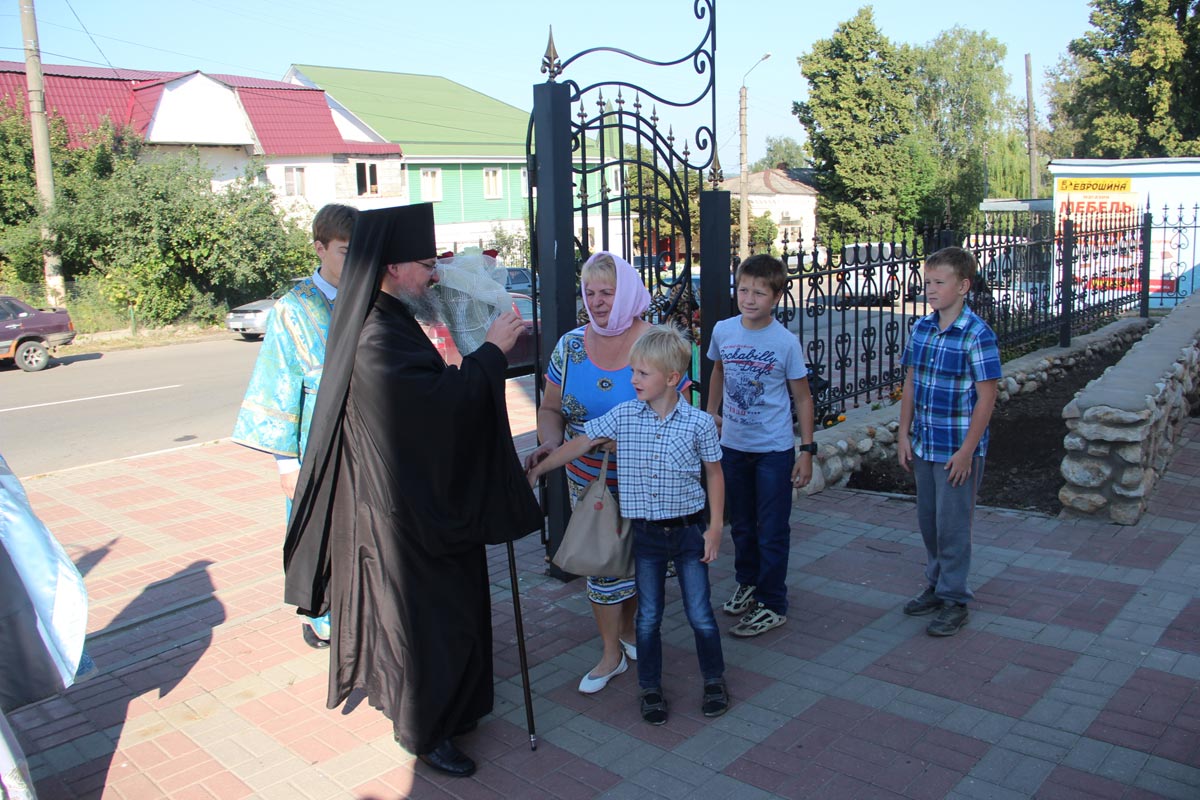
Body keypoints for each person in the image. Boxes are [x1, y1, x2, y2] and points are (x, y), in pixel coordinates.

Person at [282, 203, 542, 778]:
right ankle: (428, 729)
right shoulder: (374, 334)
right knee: (431, 624)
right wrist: (492, 353)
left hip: (421, 499)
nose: (432, 275)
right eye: (426, 265)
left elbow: (430, 394)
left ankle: (459, 709)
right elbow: (433, 408)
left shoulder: (388, 315)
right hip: (404, 517)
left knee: (455, 612)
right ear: (394, 266)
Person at [528, 325, 728, 725]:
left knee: (700, 613)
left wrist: (715, 528)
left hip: (689, 532)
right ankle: (649, 688)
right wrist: (539, 470)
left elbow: (715, 473)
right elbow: (581, 442)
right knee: (649, 616)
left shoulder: (699, 424)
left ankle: (714, 680)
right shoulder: (623, 416)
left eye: (641, 373)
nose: (632, 379)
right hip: (647, 535)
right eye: (632, 371)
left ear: (671, 378)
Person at [524, 251, 657, 695]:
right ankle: (610, 652)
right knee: (603, 564)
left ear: (628, 294)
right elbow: (550, 408)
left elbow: (678, 411)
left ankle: (630, 629)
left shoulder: (656, 343)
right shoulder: (570, 346)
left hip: (646, 478)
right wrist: (550, 442)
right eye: (590, 292)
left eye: (608, 292)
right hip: (588, 478)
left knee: (638, 563)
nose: (597, 302)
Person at [232, 203, 358, 649]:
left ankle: (357, 611)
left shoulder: (366, 296)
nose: (353, 261)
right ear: (320, 248)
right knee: (318, 530)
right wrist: (286, 462)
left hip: (361, 437)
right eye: (345, 251)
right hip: (316, 441)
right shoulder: (293, 308)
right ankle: (320, 617)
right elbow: (279, 381)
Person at [706, 254, 815, 637]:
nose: (749, 299)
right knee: (742, 526)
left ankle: (772, 602)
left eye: (759, 292)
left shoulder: (785, 342)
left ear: (776, 297)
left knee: (771, 529)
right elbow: (718, 370)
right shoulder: (723, 330)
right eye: (743, 290)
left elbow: (802, 397)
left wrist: (806, 450)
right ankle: (748, 582)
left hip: (773, 450)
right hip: (733, 447)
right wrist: (711, 413)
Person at [897, 246, 1001, 637]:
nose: (930, 289)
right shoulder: (922, 329)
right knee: (929, 521)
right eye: (928, 282)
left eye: (939, 282)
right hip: (925, 445)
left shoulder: (977, 335)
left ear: (963, 286)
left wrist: (967, 451)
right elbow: (911, 383)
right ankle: (937, 584)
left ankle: (955, 599)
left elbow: (986, 398)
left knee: (953, 526)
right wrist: (903, 434)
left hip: (958, 450)